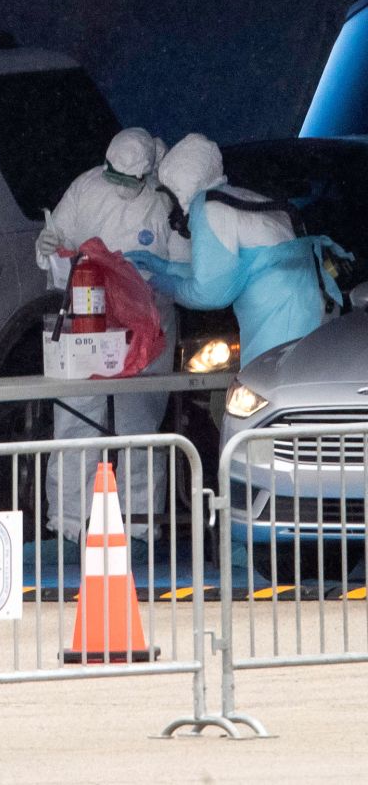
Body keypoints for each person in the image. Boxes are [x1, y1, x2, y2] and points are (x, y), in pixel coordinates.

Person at [32, 127, 188, 565]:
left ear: (146, 175)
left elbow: (186, 269)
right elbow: (57, 238)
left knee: (139, 428)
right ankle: (67, 526)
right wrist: (49, 249)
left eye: (128, 181)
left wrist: (152, 278)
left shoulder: (163, 203)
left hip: (146, 325)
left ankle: (139, 527)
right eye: (113, 177)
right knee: (76, 424)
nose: (119, 189)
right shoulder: (85, 187)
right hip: (88, 319)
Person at [127, 133, 350, 367]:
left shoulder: (210, 209)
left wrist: (171, 288)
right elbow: (225, 268)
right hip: (299, 312)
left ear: (182, 186)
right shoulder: (233, 198)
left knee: (270, 395)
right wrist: (167, 267)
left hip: (282, 325)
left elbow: (212, 291)